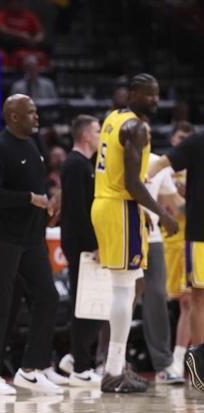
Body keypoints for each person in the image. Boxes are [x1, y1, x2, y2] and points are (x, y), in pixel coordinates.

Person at [91, 73, 178, 393]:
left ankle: (113, 367)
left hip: (107, 203)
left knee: (126, 287)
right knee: (124, 289)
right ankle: (113, 371)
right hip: (120, 206)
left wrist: (141, 213)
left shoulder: (113, 117)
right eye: (149, 94)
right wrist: (162, 214)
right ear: (134, 93)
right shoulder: (136, 128)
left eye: (158, 94)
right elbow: (132, 183)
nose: (155, 100)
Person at [0, 94, 63, 395]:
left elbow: (37, 188)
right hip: (1, 237)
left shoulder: (33, 144)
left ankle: (31, 369)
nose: (36, 117)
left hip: (31, 238)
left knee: (48, 297)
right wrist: (29, 198)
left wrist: (47, 204)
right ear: (13, 116)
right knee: (2, 304)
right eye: (30, 112)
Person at [148, 124, 204, 394]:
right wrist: (144, 179)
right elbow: (161, 163)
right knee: (195, 298)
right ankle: (197, 360)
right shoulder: (197, 142)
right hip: (199, 235)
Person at [58, 115, 103, 387]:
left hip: (83, 243)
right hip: (80, 244)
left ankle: (75, 359)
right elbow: (76, 211)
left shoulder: (84, 164)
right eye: (97, 130)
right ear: (85, 135)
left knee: (91, 304)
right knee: (83, 304)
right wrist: (93, 244)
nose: (101, 135)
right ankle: (80, 367)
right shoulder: (75, 164)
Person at [162, 122, 194, 378]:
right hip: (170, 243)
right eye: (180, 137)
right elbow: (167, 206)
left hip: (194, 241)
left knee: (189, 301)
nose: (184, 142)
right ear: (173, 140)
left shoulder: (196, 169)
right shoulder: (164, 171)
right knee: (177, 303)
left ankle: (181, 358)